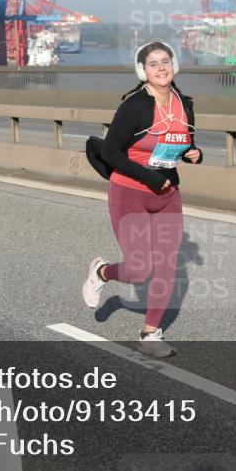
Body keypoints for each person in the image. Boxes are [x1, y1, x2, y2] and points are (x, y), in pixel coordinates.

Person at [82, 40, 203, 357]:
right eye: (153, 64)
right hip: (130, 193)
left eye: (166, 61)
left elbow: (183, 143)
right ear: (143, 71)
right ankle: (101, 272)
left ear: (174, 65)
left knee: (165, 265)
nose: (161, 68)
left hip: (167, 196)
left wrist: (194, 154)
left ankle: (150, 334)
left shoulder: (184, 104)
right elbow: (110, 152)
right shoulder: (134, 106)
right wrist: (150, 177)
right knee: (139, 269)